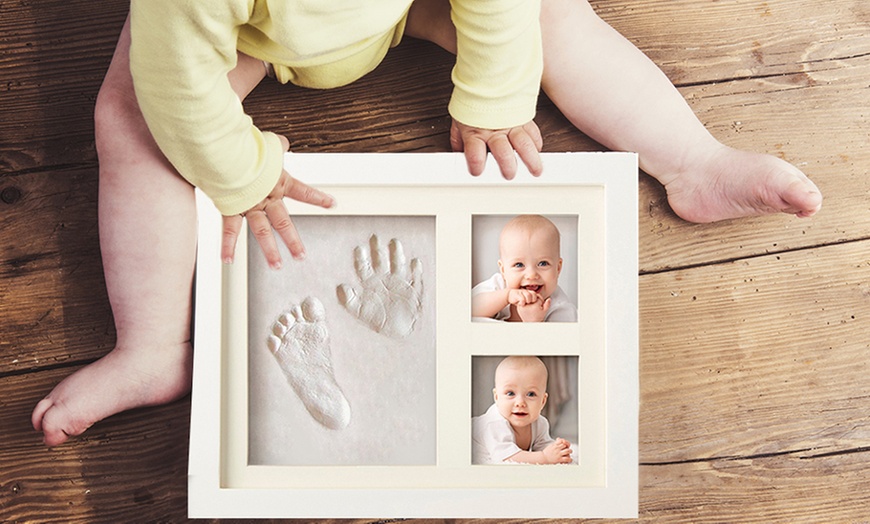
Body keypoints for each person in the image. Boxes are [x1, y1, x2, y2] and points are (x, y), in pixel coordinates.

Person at [32, 0, 822, 446]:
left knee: (555, 16)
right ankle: (150, 346)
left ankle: (693, 160)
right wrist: (240, 173)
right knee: (132, 118)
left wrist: (494, 94)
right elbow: (176, 82)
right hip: (249, 36)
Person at [472, 215, 577, 322]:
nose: (531, 275)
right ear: (503, 270)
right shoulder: (498, 285)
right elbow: (470, 309)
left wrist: (533, 321)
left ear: (558, 268)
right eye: (519, 265)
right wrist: (506, 296)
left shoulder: (561, 309)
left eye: (543, 263)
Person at [472, 356, 573, 464]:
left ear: (543, 401)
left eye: (531, 394)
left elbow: (542, 446)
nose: (520, 403)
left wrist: (557, 450)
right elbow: (505, 457)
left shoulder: (540, 423)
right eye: (510, 393)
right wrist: (544, 457)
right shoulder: (494, 424)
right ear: (496, 397)